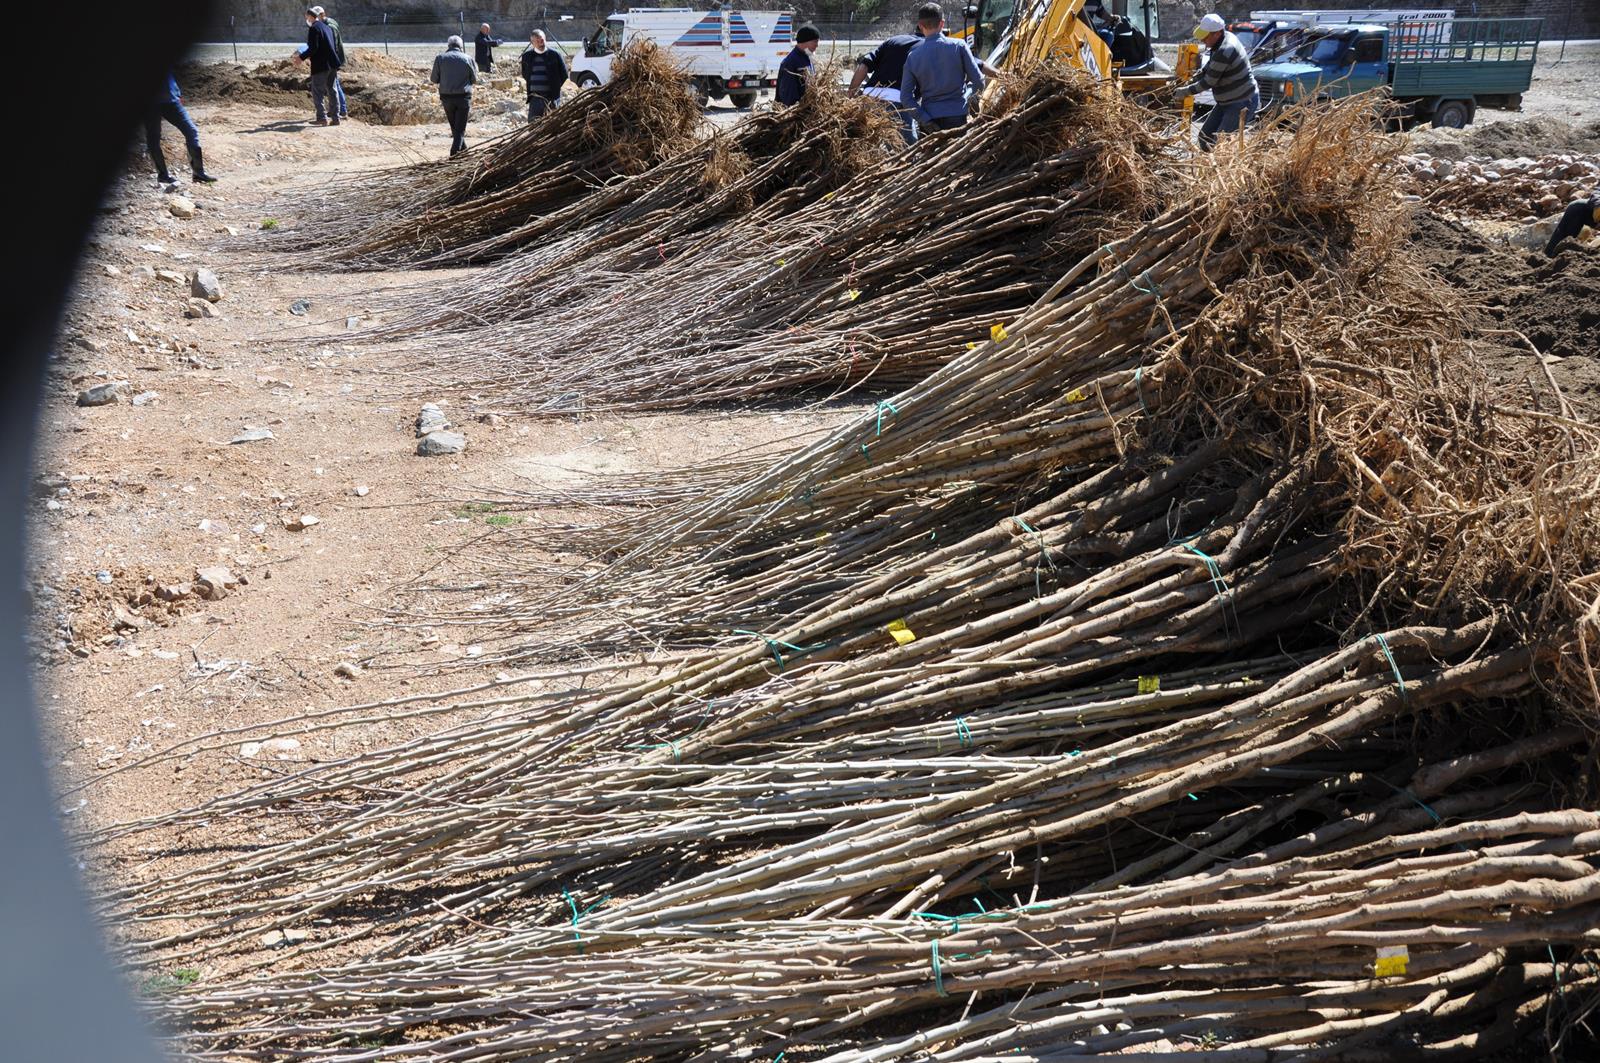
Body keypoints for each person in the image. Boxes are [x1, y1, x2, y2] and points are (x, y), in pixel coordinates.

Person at [901, 3, 984, 134]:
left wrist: (924, 119)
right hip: (957, 117)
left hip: (930, 119)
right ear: (942, 23)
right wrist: (968, 97)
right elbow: (979, 81)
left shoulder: (913, 57)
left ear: (920, 26)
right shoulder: (959, 46)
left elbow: (906, 98)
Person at [1181, 13, 1258, 152]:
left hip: (1241, 102)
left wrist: (1185, 91)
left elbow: (1208, 82)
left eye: (1206, 36)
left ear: (1217, 33)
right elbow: (1210, 67)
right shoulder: (1222, 39)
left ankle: (1221, 172)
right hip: (1226, 102)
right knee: (1205, 138)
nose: (1203, 40)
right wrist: (1196, 77)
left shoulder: (1225, 49)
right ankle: (1208, 169)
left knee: (1221, 145)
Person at [849, 26, 924, 145]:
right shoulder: (928, 46)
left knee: (871, 144)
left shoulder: (894, 40)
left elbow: (864, 65)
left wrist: (851, 94)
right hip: (898, 99)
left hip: (870, 95)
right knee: (906, 148)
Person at [144, 72, 217, 186]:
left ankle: (198, 173)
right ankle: (163, 175)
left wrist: (177, 93)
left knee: (191, 131)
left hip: (172, 101)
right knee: (154, 137)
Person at [294, 6, 342, 126]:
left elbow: (313, 48)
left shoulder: (314, 28)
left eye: (307, 17)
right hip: (332, 63)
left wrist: (301, 57)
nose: (307, 20)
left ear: (310, 16)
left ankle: (321, 118)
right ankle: (336, 118)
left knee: (317, 91)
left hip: (321, 65)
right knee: (332, 90)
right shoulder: (326, 27)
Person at [432, 35, 478, 156]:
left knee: (455, 128)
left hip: (446, 97)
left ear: (448, 45)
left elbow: (434, 79)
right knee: (460, 129)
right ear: (461, 46)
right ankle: (454, 154)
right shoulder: (468, 58)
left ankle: (465, 153)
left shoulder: (440, 58)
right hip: (463, 97)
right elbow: (474, 79)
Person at [520, 30, 568, 120]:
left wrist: (555, 86)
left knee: (553, 123)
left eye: (542, 40)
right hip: (535, 98)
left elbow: (564, 74)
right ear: (532, 43)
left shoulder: (555, 55)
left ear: (545, 39)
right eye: (537, 41)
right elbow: (525, 74)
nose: (540, 43)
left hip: (552, 97)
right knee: (533, 124)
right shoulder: (527, 56)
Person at [313, 6, 349, 120]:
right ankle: (338, 111)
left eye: (316, 16)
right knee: (334, 84)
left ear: (322, 15)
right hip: (333, 58)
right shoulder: (330, 22)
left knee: (334, 85)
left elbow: (332, 45)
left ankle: (341, 110)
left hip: (332, 59)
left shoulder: (330, 26)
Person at [777, 24, 821, 106]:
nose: (817, 45)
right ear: (805, 41)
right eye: (815, 41)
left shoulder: (808, 57)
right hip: (795, 113)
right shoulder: (790, 62)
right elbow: (788, 94)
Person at [1545, 191, 1599, 257]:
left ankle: (1550, 255)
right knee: (1566, 239)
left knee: (1565, 237)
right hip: (1577, 211)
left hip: (1580, 211)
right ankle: (1548, 257)